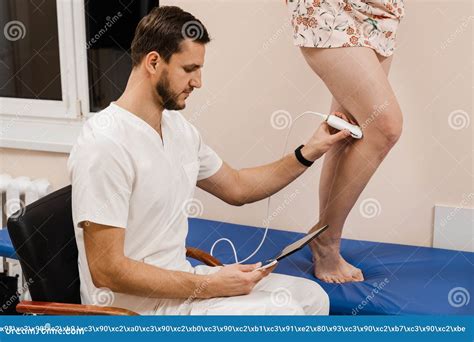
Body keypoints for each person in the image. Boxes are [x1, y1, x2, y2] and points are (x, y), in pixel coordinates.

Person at [68, 6, 352, 315]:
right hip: (132, 309)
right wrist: (212, 285)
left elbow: (238, 187)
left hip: (179, 283)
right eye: (189, 69)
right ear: (153, 62)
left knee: (312, 297)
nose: (198, 82)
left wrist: (310, 150)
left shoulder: (178, 130)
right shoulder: (105, 143)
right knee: (283, 313)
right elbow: (108, 271)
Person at [286, 0, 405, 283]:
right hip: (332, 5)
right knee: (385, 127)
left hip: (382, 9)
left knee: (347, 124)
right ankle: (326, 241)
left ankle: (325, 239)